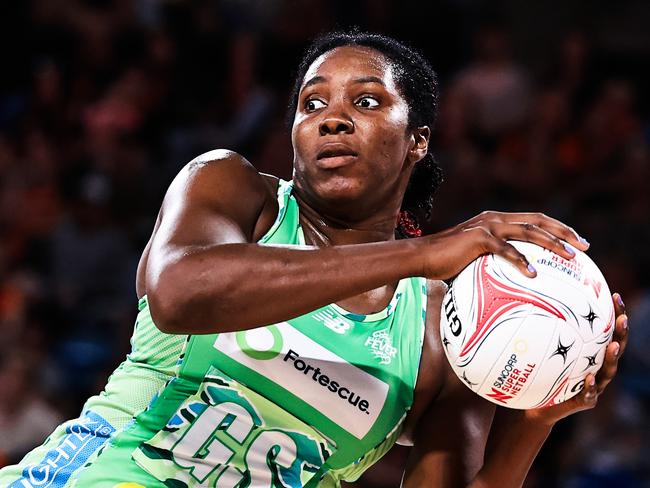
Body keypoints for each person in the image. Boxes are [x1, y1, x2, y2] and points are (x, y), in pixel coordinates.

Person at [0, 31, 628, 488]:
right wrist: (418, 253)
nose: (332, 120)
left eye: (367, 102)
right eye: (312, 102)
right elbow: (178, 294)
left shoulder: (450, 331)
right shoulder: (234, 192)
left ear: (418, 141)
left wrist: (538, 417)